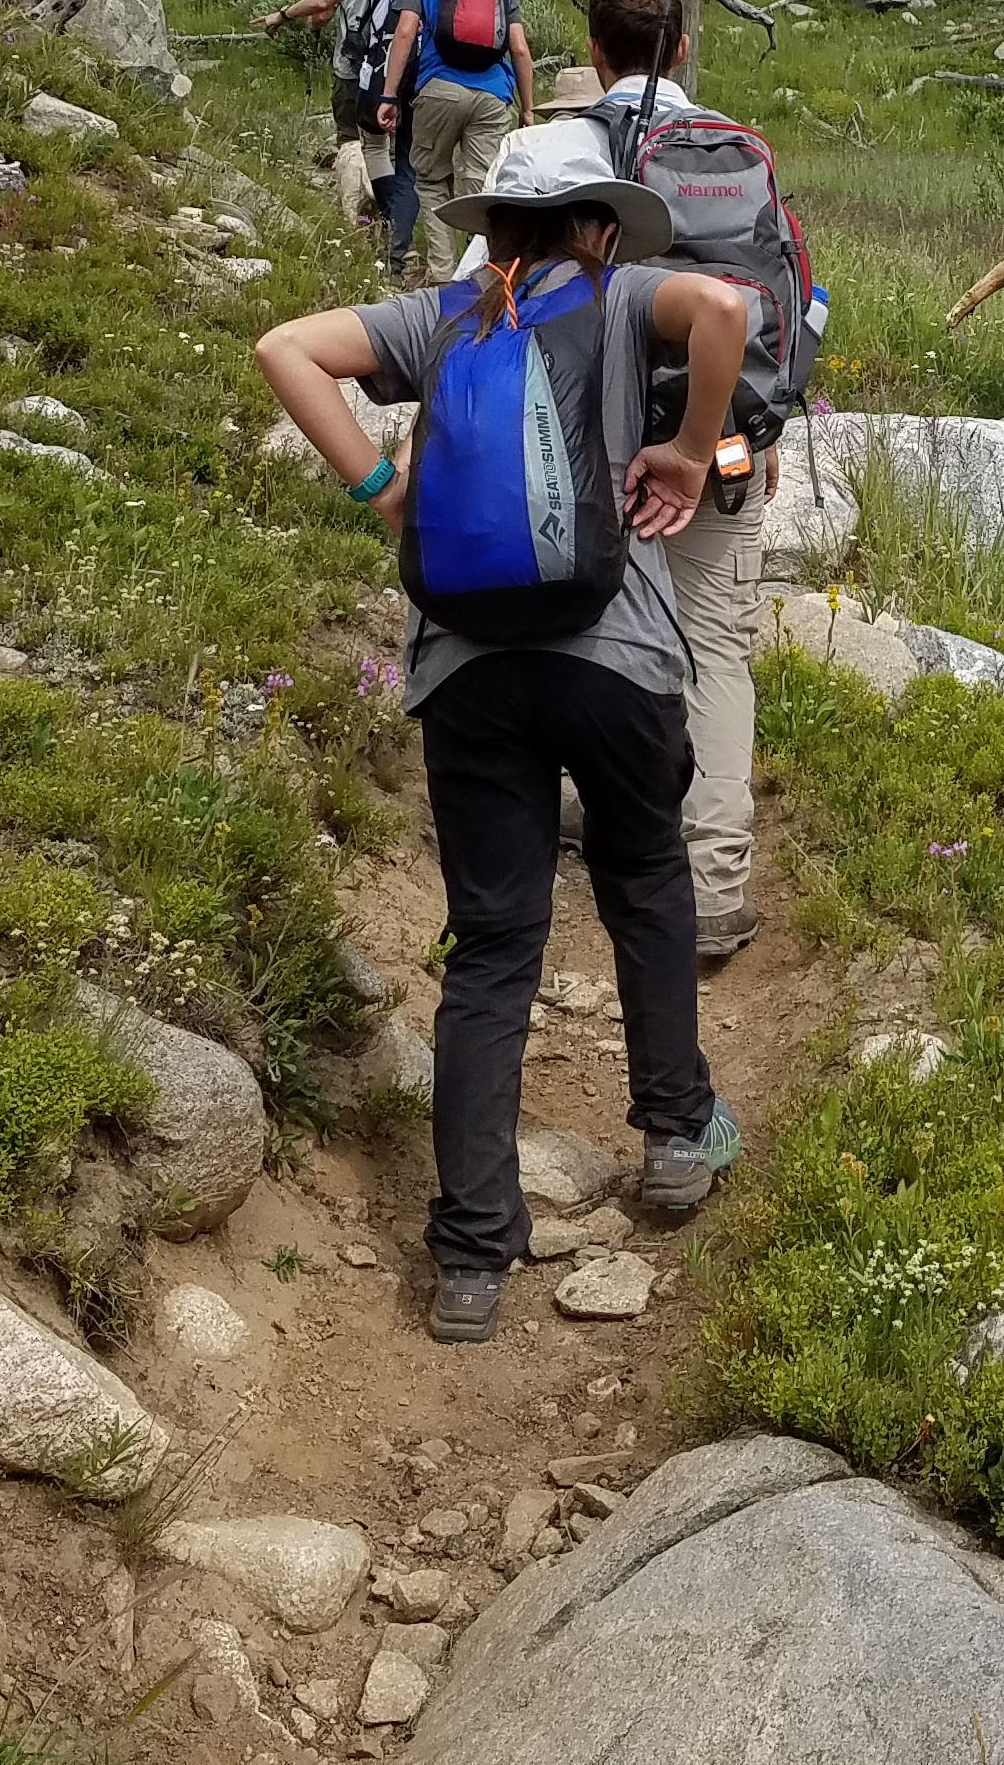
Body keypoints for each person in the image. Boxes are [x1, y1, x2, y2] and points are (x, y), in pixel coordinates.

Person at [253, 123, 749, 1346]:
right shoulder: (628, 293)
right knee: (643, 877)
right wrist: (688, 455)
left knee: (490, 950)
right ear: (596, 218)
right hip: (616, 660)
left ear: (496, 225)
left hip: (466, 676)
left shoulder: (440, 318)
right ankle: (677, 1134)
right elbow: (728, 309)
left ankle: (473, 1255)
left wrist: (384, 491)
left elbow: (284, 349)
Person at [572, 0, 804, 966]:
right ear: (680, 50)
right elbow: (796, 298)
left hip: (602, 444)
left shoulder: (567, 150)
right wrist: (759, 431)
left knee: (579, 629)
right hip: (723, 442)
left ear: (592, 52)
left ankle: (592, 809)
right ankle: (713, 884)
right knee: (717, 648)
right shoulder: (742, 152)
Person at [261, 0, 434, 260]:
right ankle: (401, 243)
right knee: (407, 160)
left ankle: (384, 217)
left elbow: (326, 1)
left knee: (371, 144)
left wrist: (283, 14)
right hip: (426, 75)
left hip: (381, 70)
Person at [377, 0, 535, 268]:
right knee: (484, 189)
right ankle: (482, 273)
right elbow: (520, 49)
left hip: (439, 90)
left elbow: (404, 33)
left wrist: (389, 96)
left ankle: (443, 275)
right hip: (495, 96)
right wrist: (527, 109)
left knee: (432, 180)